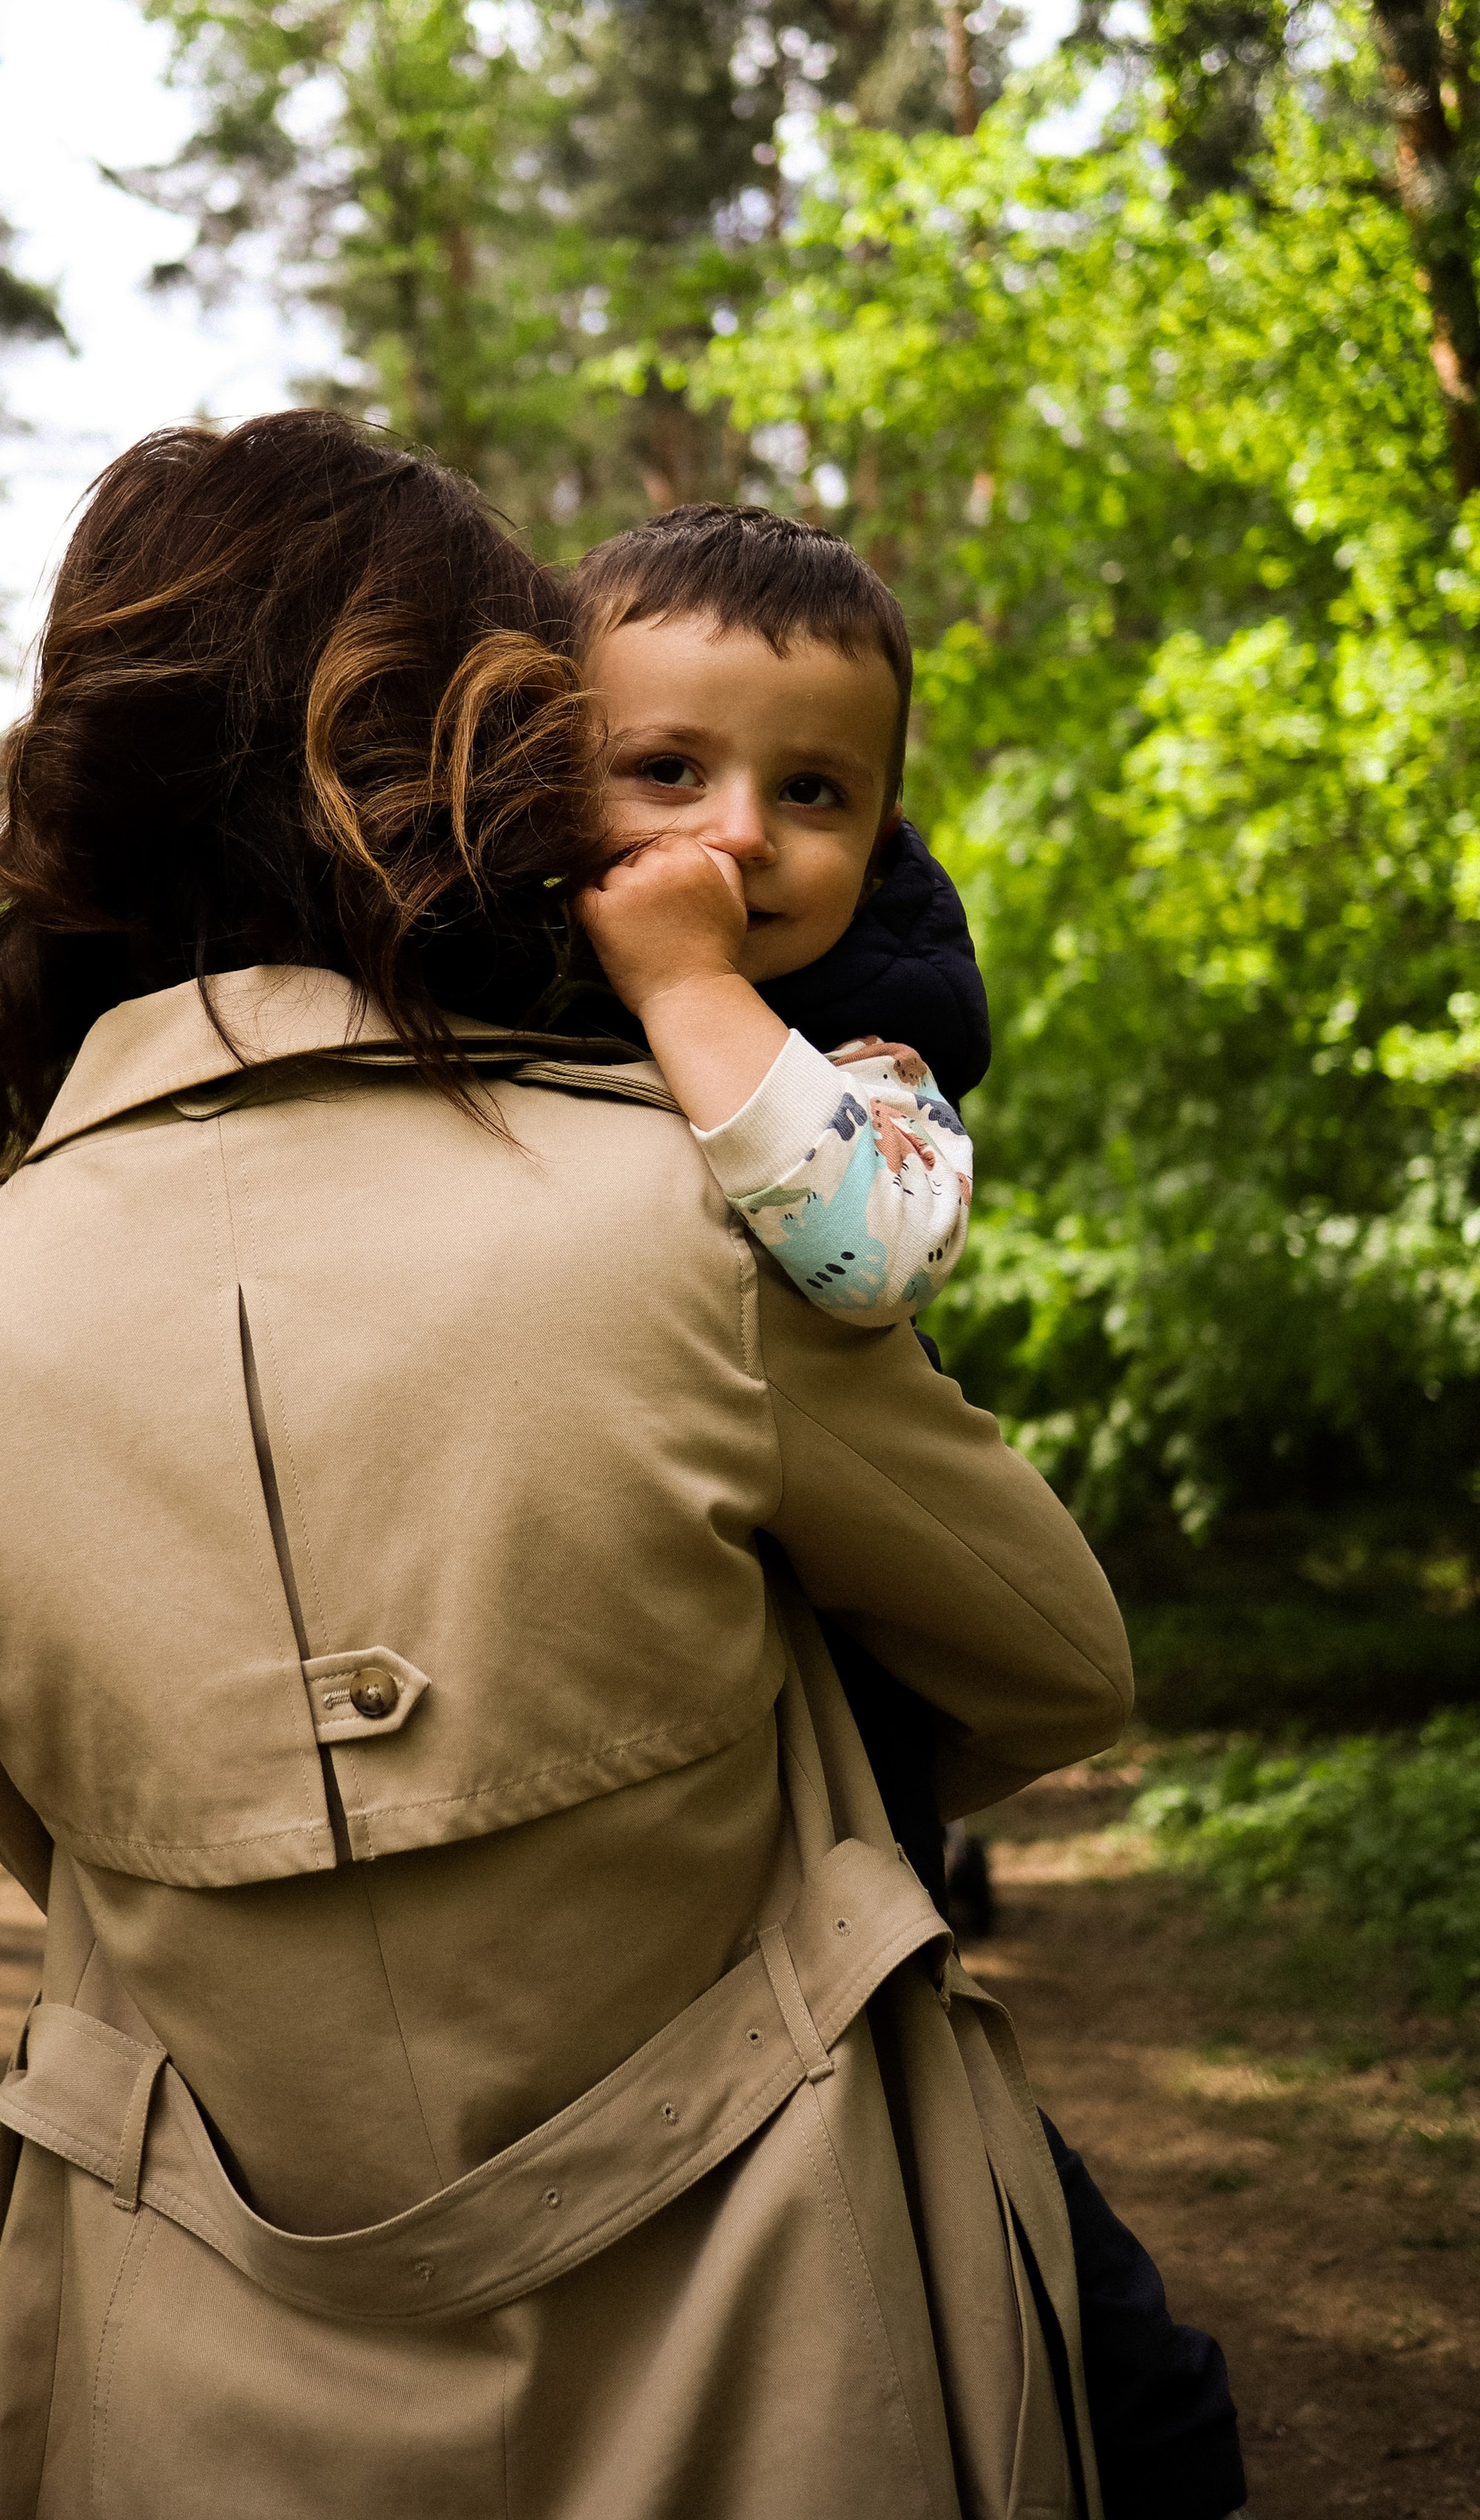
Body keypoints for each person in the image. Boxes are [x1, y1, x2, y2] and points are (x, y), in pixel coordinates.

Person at [0, 409, 1134, 2520]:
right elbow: (1057, 1666)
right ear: (435, 763)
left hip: (185, 2379)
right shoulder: (682, 1208)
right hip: (778, 2333)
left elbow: (65, 1851)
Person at [564, 500, 1248, 2520]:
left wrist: (691, 992)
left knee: (1116, 2379)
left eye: (815, 793)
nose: (742, 835)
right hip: (579, 1750)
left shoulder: (866, 1059)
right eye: (665, 771)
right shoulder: (465, 1030)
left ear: (884, 833)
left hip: (818, 1844)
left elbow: (862, 1255)